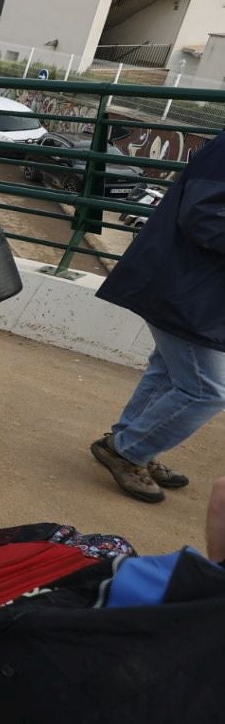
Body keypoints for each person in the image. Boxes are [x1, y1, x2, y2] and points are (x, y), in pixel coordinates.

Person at [91, 128, 225, 505]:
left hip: (194, 289)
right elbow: (203, 216)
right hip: (185, 288)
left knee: (167, 371)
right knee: (206, 390)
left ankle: (132, 443)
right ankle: (129, 450)